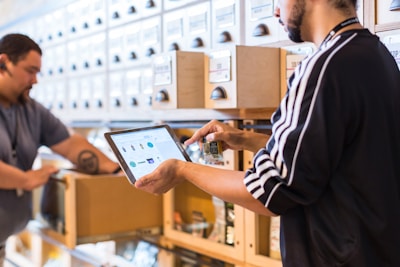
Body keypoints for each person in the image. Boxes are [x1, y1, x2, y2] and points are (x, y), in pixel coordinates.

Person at [135, 0, 400, 266]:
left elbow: (268, 193)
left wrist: (183, 170)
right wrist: (244, 139)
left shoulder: (321, 68)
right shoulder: (376, 54)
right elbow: (325, 158)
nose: (275, 11)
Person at [0, 33, 121, 266]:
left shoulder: (31, 110)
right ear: (3, 62)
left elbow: (72, 145)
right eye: (30, 70)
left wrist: (116, 170)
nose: (35, 80)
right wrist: (25, 180)